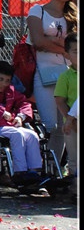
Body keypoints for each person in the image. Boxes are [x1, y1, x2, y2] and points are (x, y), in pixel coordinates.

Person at [27, 0, 77, 160]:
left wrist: (52, 41)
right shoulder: (37, 10)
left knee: (66, 124)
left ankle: (56, 168)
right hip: (43, 74)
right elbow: (38, 41)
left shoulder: (74, 15)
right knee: (51, 125)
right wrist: (65, 49)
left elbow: (75, 45)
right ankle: (44, 165)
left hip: (68, 75)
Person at [54, 32, 78, 178]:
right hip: (72, 125)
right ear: (67, 55)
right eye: (76, 51)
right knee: (74, 158)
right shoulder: (65, 76)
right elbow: (60, 100)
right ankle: (74, 186)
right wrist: (70, 120)